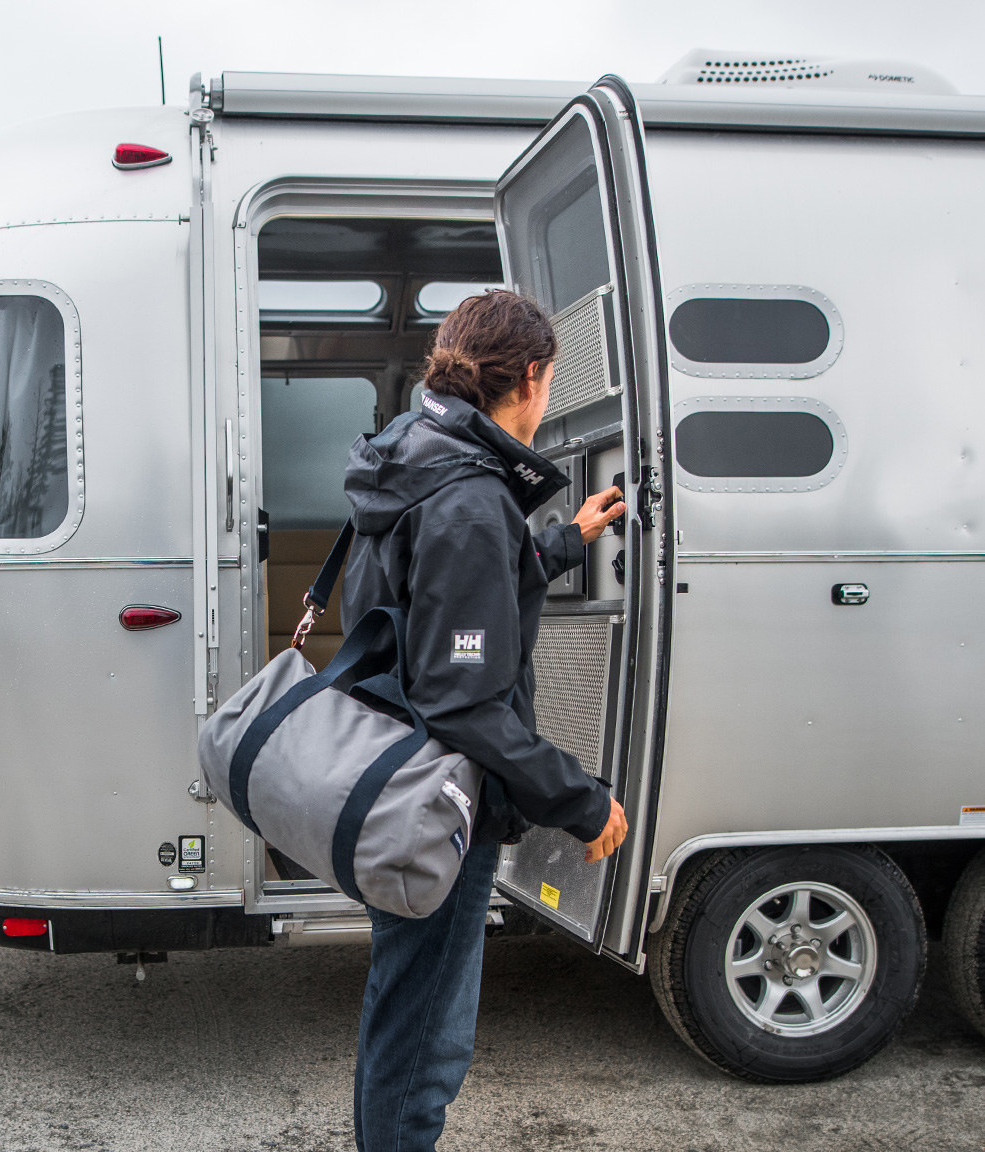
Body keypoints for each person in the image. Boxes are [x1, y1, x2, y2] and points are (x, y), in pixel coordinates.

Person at [340, 289, 629, 1151]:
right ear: (533, 377)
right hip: (436, 802)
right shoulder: (469, 496)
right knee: (424, 1042)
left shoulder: (415, 453)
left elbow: (446, 594)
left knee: (405, 1012)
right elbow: (461, 698)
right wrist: (580, 799)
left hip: (393, 777)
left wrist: (562, 540)